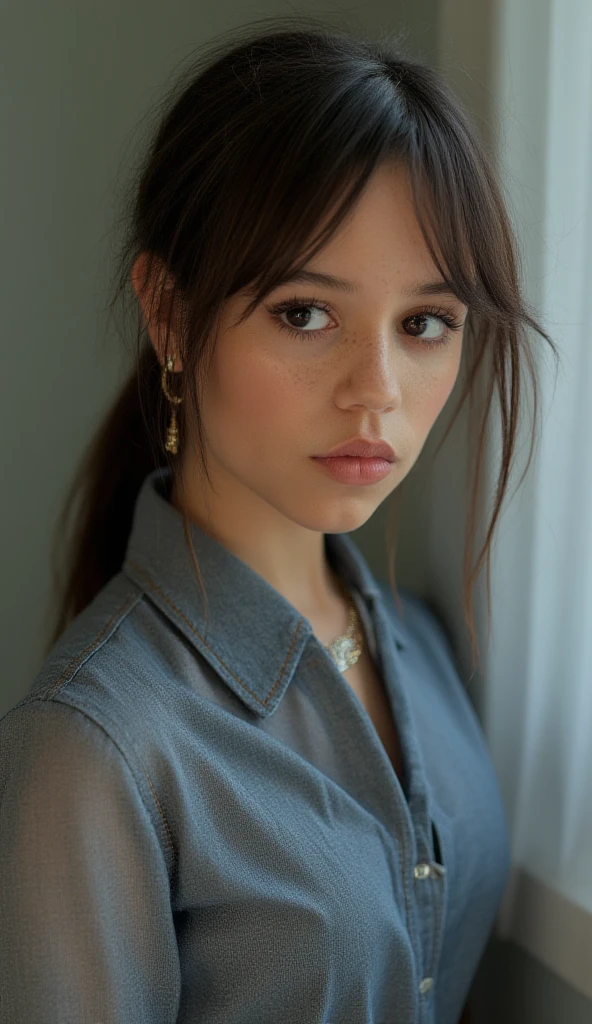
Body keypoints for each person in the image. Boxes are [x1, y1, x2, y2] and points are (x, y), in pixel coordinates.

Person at [0, 15, 556, 1024]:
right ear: (169, 314)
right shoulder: (93, 749)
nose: (376, 391)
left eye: (424, 323)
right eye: (305, 312)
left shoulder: (420, 642)